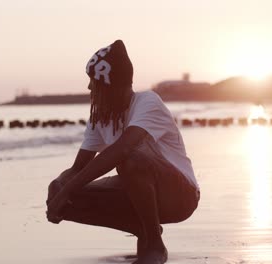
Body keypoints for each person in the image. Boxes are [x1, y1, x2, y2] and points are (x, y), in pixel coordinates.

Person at [46, 40, 200, 264]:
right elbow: (78, 168)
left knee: (129, 160)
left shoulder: (147, 102)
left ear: (111, 84)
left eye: (94, 81)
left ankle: (155, 244)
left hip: (179, 195)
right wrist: (58, 192)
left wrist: (68, 189)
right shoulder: (100, 117)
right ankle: (141, 227)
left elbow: (124, 148)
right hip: (136, 192)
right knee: (58, 188)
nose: (89, 88)